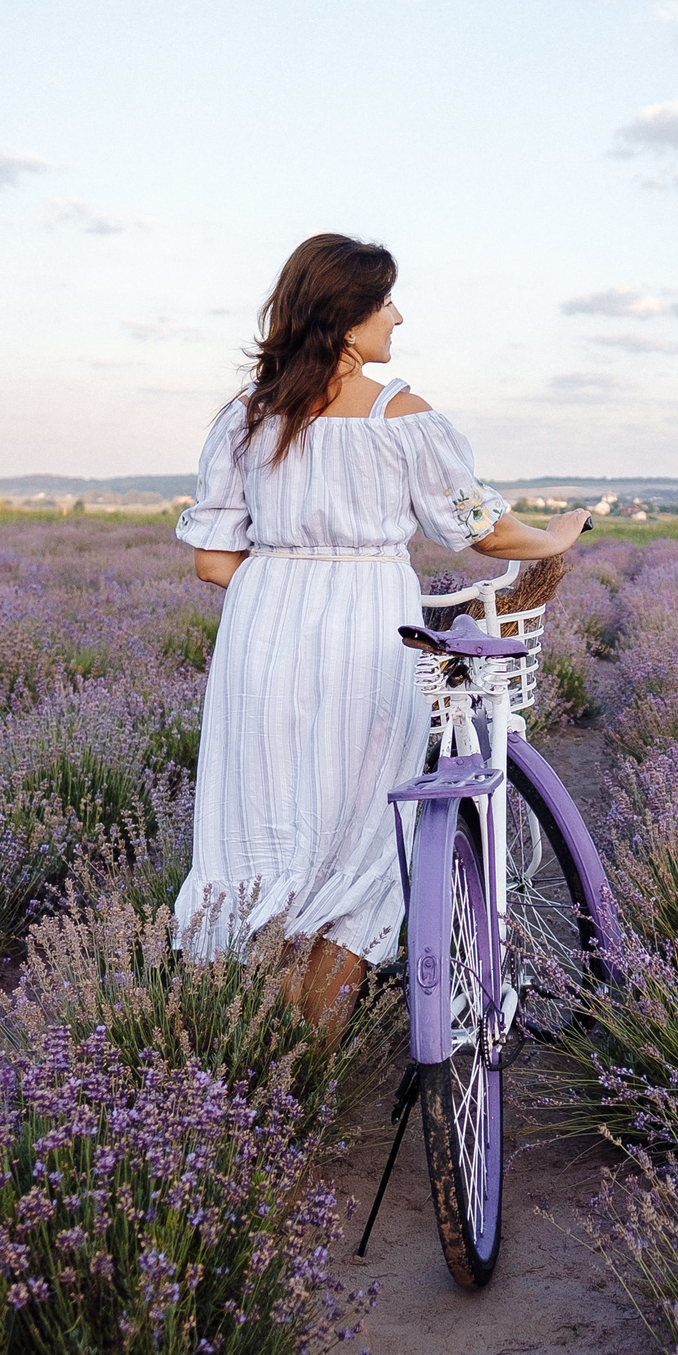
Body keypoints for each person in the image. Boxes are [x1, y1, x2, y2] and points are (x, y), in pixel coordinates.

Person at [174, 233, 590, 1038]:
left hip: (259, 640)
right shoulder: (401, 413)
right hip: (366, 634)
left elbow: (213, 560)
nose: (396, 317)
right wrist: (557, 538)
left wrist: (284, 590)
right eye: (385, 302)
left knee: (255, 836)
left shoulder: (245, 414)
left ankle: (241, 1053)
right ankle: (311, 1058)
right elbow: (484, 532)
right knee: (363, 836)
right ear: (348, 317)